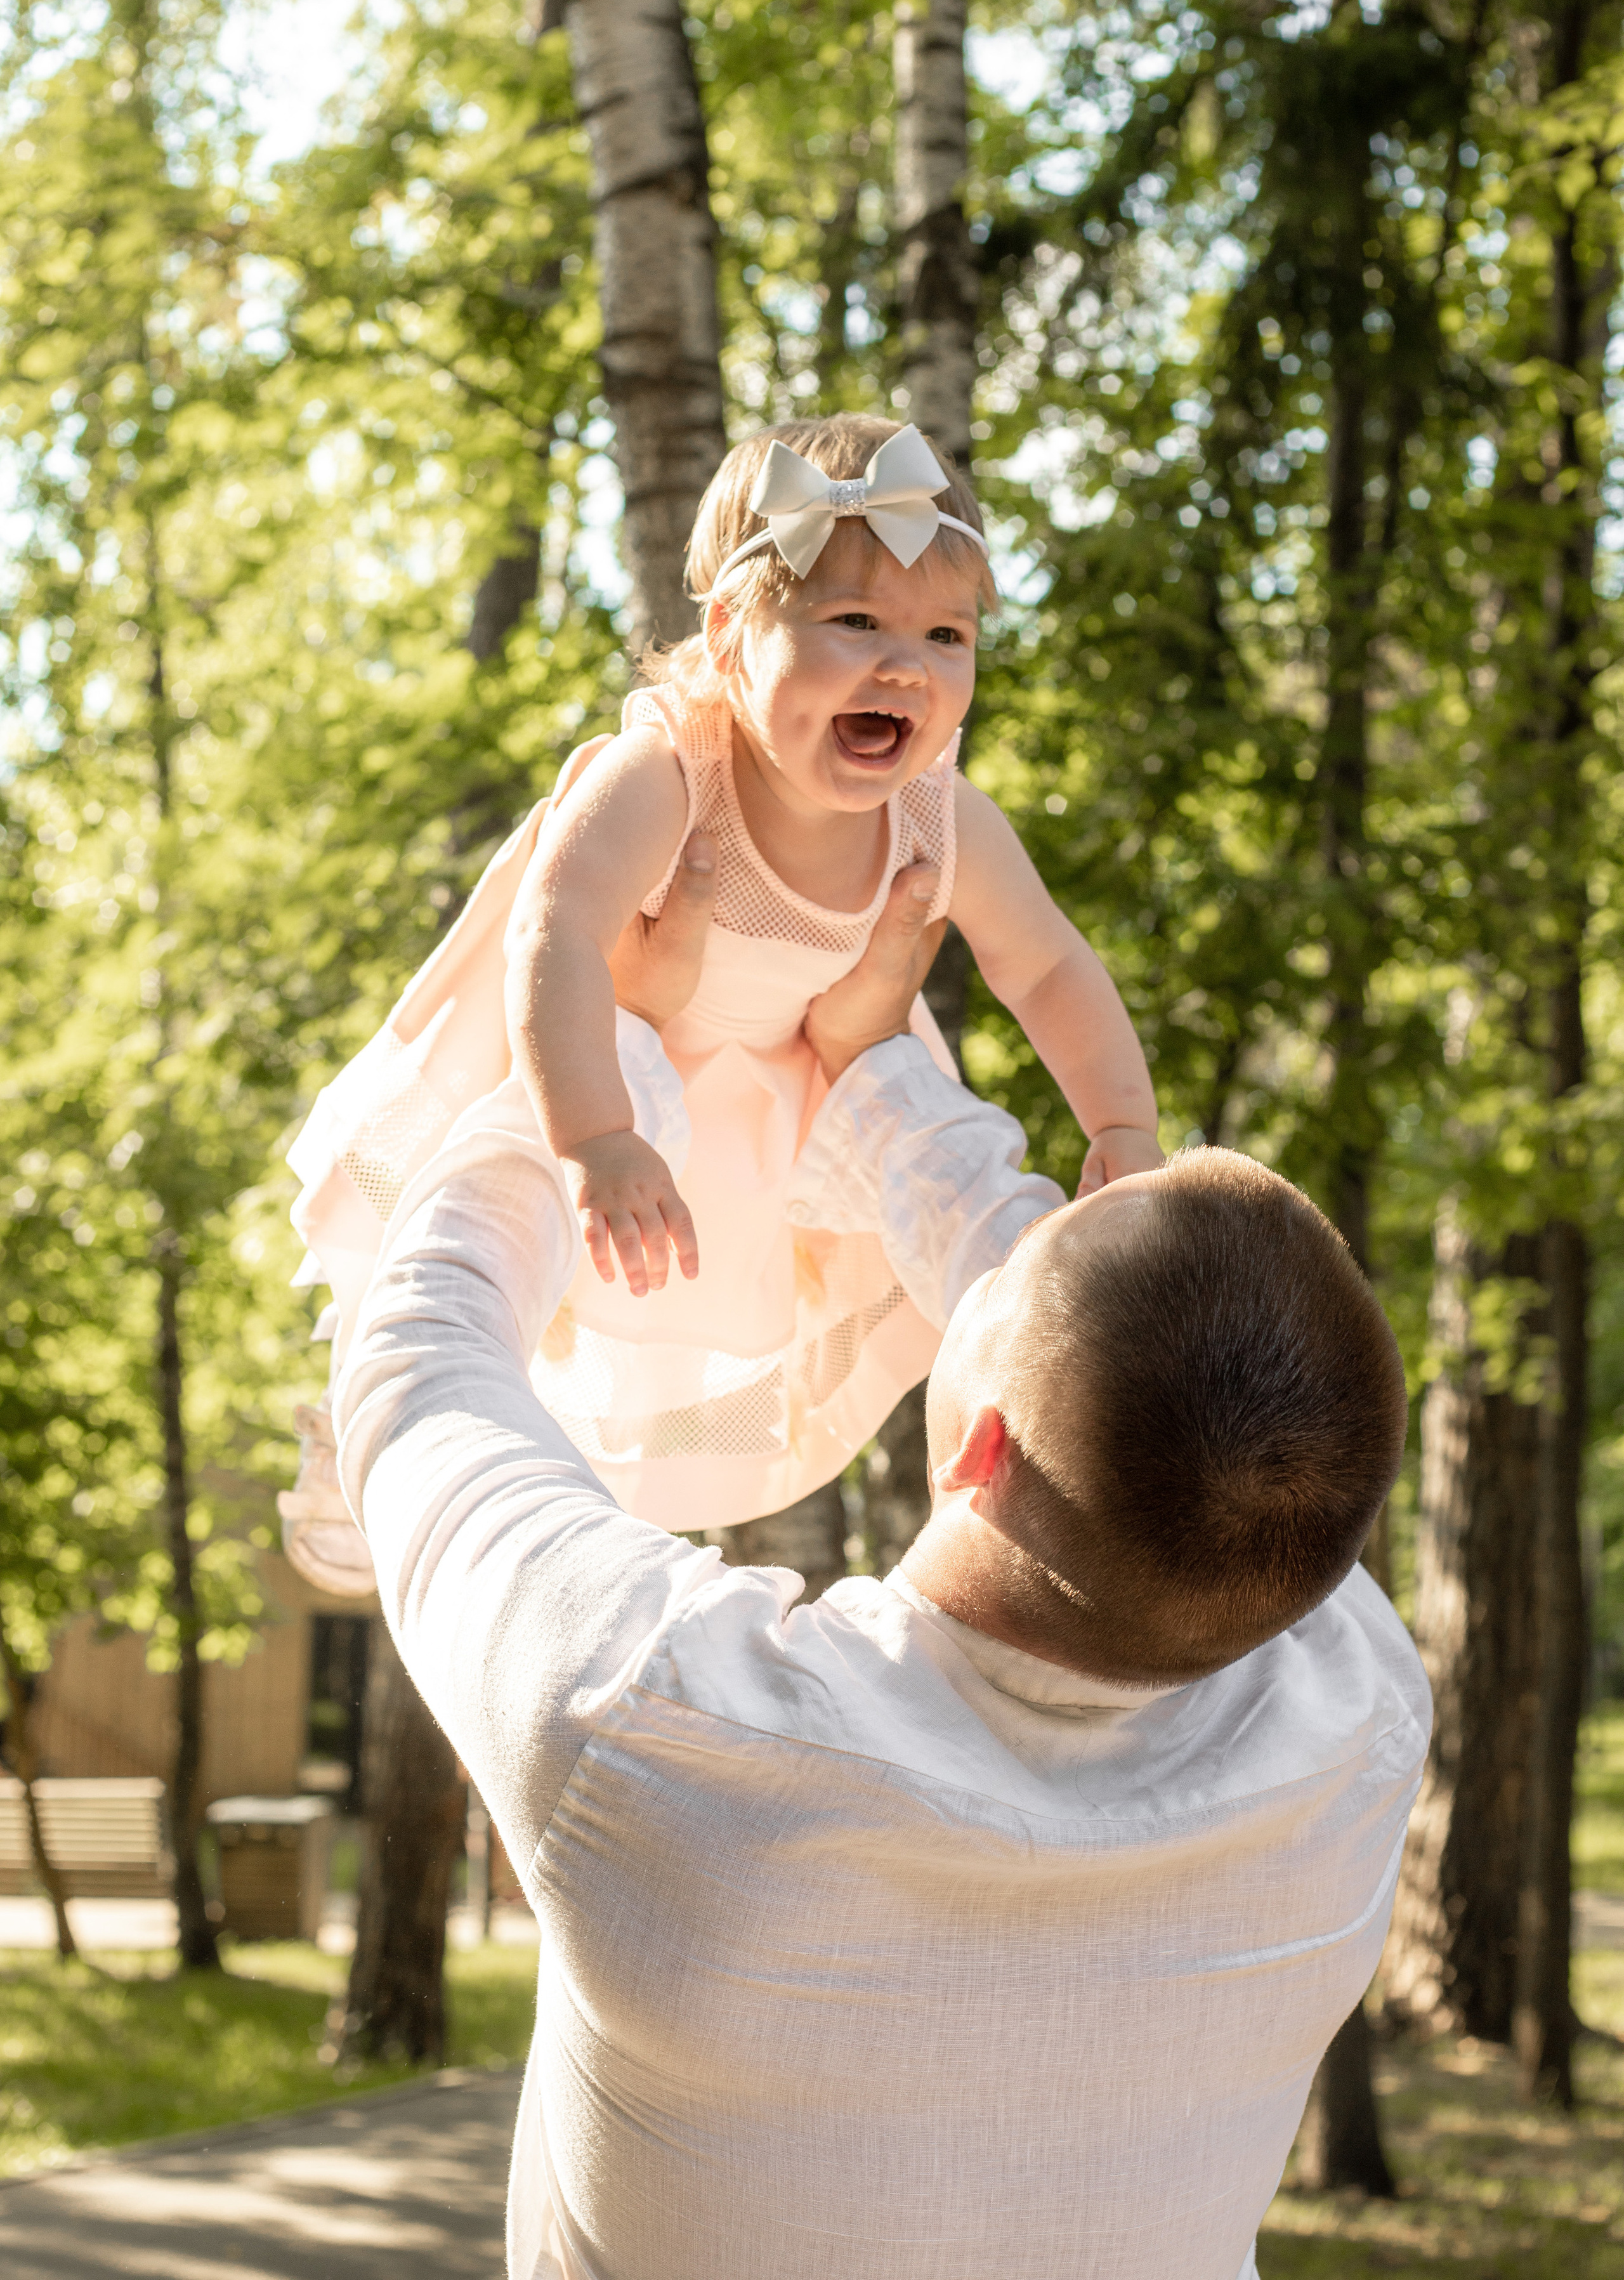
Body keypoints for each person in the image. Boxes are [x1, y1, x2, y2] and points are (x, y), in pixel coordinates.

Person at [333, 863, 1431, 2280]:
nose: (1000, 1251)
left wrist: (603, 1081)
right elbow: (1108, 1372)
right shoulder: (1355, 1714)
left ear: (976, 1453)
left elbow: (422, 1363)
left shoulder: (663, 1730)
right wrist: (867, 1072)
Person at [282, 415, 1160, 1587]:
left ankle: (1094, 1442)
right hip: (594, 1048)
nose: (905, 665)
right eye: (854, 622)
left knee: (720, 1311)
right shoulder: (669, 773)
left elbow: (1045, 966)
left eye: (947, 636)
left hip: (780, 1092)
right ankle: (374, 1402)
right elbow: (560, 929)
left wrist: (1121, 1124)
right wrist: (594, 1132)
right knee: (490, 1199)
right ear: (733, 631)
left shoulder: (945, 820)